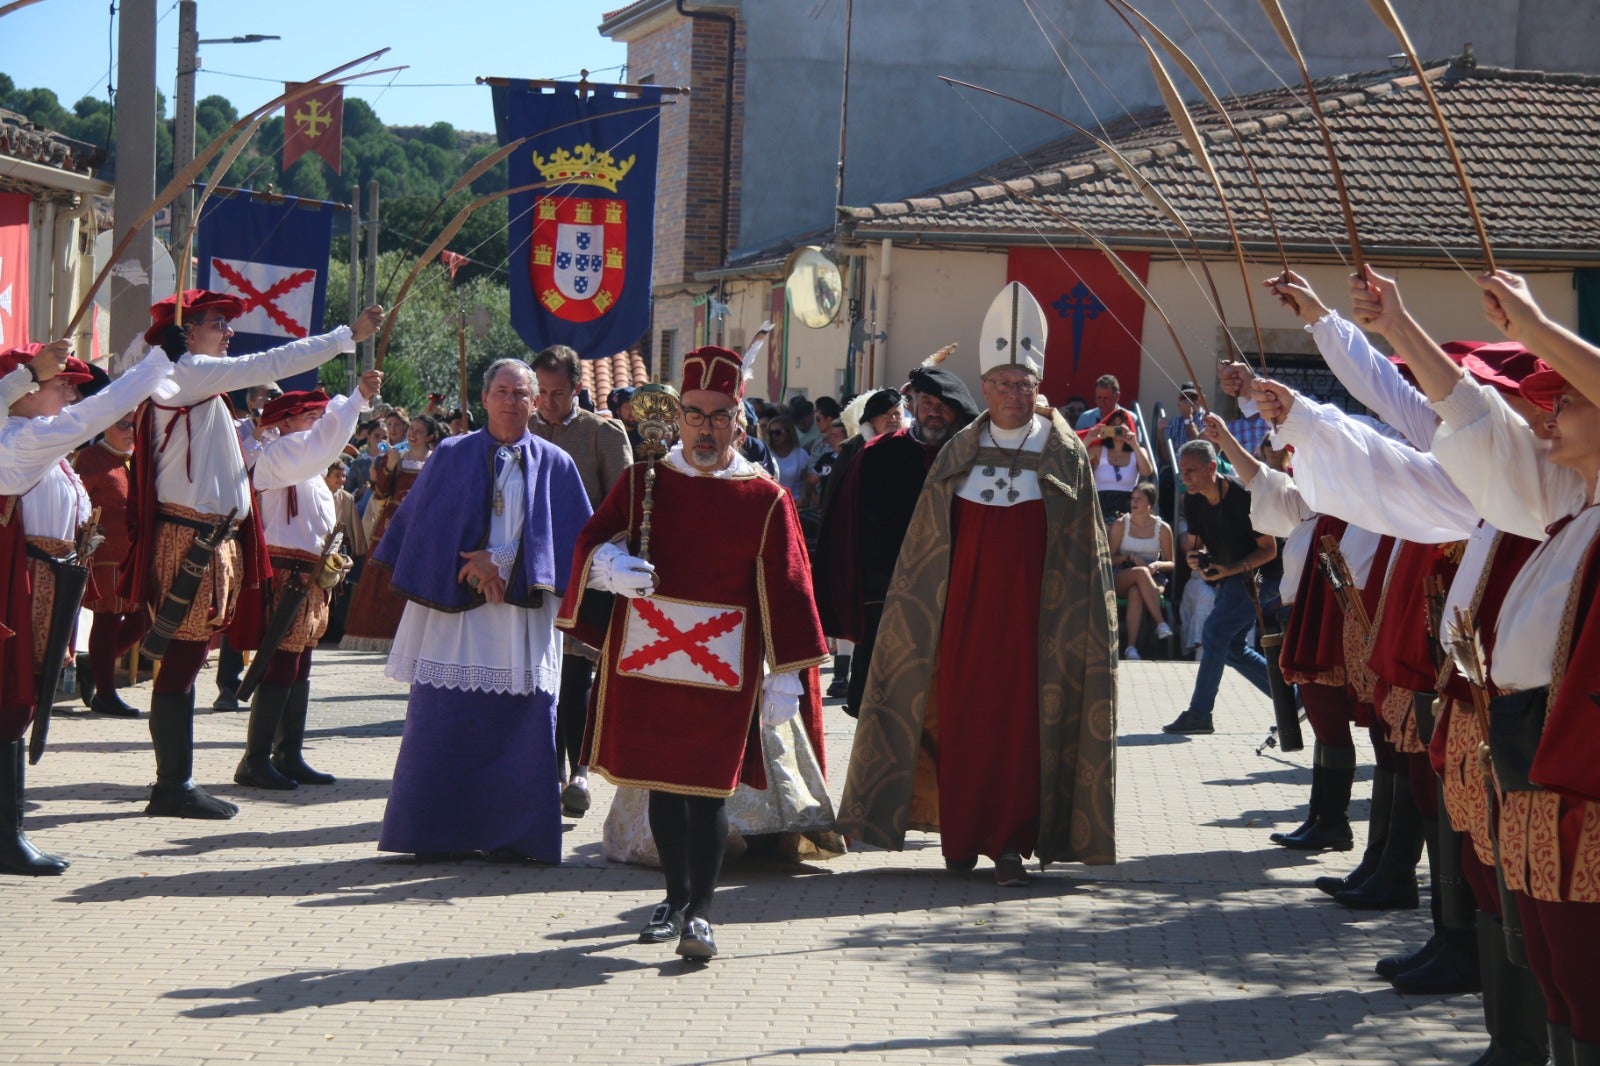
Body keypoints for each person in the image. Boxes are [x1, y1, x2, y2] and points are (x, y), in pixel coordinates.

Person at [558, 345, 830, 961]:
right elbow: (590, 541)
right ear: (677, 416)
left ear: (740, 420)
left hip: (724, 666)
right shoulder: (644, 480)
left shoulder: (764, 498)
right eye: (694, 414)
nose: (705, 429)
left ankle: (700, 915)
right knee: (661, 787)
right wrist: (609, 566)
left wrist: (785, 677)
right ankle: (674, 898)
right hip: (648, 658)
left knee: (707, 792)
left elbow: (789, 586)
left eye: (718, 416)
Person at [838, 344, 1116, 886]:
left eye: (1025, 383)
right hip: (963, 618)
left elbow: (1088, 552)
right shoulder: (959, 451)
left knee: (1020, 728)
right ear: (984, 389)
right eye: (1004, 384)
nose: (1015, 394)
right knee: (963, 723)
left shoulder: (1064, 452)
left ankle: (1010, 844)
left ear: (1038, 387)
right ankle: (961, 837)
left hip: (1039, 622)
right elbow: (926, 549)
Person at [117, 291, 382, 819]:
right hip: (190, 537)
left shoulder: (191, 379)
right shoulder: (187, 374)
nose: (229, 333)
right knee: (184, 659)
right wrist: (344, 337)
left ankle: (181, 780)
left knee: (190, 657)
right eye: (218, 323)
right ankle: (173, 784)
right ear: (187, 332)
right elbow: (270, 362)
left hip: (209, 537)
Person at [376, 359, 590, 862]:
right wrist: (475, 564)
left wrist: (506, 562)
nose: (511, 401)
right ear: (486, 397)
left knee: (523, 721)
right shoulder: (450, 454)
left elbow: (572, 541)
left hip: (522, 617)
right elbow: (426, 530)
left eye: (521, 393)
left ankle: (514, 837)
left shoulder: (557, 464)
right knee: (444, 718)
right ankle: (434, 832)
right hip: (455, 612)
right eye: (501, 391)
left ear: (535, 402)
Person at [2, 339, 179, 872]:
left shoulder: (36, 442)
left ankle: (8, 832)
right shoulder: (18, 439)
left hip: (43, 580)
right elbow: (94, 415)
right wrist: (153, 367)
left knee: (18, 703)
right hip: (19, 580)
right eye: (60, 386)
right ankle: (6, 837)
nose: (70, 395)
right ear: (24, 394)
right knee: (10, 704)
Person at [232, 376, 379, 789]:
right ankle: (256, 757)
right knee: (282, 662)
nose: (319, 425)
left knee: (300, 664)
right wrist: (356, 400)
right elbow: (320, 442)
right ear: (287, 421)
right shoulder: (279, 454)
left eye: (319, 417)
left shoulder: (307, 463)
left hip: (310, 572)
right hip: (286, 572)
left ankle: (288, 752)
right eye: (311, 417)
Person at [814, 362, 978, 718]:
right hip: (890, 596)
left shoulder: (972, 457)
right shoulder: (880, 454)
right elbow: (857, 526)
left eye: (942, 405)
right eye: (926, 403)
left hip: (957, 593)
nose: (934, 413)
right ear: (914, 405)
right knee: (883, 706)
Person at [527, 344, 633, 819]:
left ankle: (581, 772)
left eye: (558, 392)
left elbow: (624, 505)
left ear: (578, 389)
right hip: (527, 576)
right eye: (541, 392)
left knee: (574, 678)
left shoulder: (601, 434)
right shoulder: (518, 429)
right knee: (538, 679)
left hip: (586, 574)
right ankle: (547, 775)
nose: (548, 401)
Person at [1162, 439, 1277, 735]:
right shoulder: (1193, 499)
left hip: (1263, 576)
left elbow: (1268, 550)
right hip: (1232, 575)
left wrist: (1230, 569)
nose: (1184, 477)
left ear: (1212, 468)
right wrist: (1195, 560)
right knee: (1233, 648)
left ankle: (1200, 714)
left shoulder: (1245, 497)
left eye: (1191, 471)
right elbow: (1197, 546)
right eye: (1182, 471)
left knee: (1214, 631)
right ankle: (1295, 699)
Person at [340, 415, 443, 651]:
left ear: (429, 436)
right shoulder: (396, 457)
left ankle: (410, 639)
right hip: (391, 525)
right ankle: (373, 635)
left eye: (418, 431)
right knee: (382, 577)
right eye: (412, 429)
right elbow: (381, 492)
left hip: (420, 527)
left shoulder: (434, 462)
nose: (412, 434)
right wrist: (388, 466)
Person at [73, 408, 146, 717]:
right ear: (105, 425)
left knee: (148, 620)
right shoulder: (92, 459)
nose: (130, 430)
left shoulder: (138, 459)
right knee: (107, 620)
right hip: (106, 557)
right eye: (123, 424)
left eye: (134, 425)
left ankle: (95, 664)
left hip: (135, 557)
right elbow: (78, 504)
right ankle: (105, 693)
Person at [1107, 481, 1174, 658]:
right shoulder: (1121, 524)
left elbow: (1171, 563)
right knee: (1141, 573)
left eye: (1139, 499)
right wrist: (1129, 557)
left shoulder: (1163, 528)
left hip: (1152, 577)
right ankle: (1161, 623)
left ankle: (1131, 648)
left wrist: (1157, 565)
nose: (1133, 502)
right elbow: (1108, 559)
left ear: (1150, 503)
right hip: (1121, 574)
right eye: (1132, 498)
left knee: (1137, 591)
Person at [1085, 409, 1155, 520]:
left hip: (1128, 509)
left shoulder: (1139, 451)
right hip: (1101, 508)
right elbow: (1076, 461)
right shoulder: (1098, 450)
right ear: (1108, 428)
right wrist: (1089, 439)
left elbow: (1146, 472)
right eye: (1114, 426)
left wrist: (1134, 445)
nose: (1118, 429)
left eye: (1122, 426)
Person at [765, 413, 809, 499]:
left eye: (778, 432)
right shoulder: (767, 453)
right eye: (771, 433)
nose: (774, 436)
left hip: (795, 500)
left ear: (789, 432)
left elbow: (806, 480)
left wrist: (803, 497)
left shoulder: (800, 454)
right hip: (773, 500)